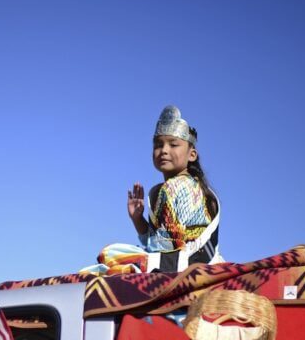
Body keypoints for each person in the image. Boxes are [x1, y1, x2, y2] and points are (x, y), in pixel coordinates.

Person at [82, 105, 223, 274]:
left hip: (186, 263)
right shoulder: (181, 186)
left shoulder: (178, 187)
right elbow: (161, 240)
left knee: (109, 255)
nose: (164, 150)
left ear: (191, 154)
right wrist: (138, 218)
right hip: (178, 258)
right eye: (158, 145)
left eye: (173, 144)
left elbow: (168, 245)